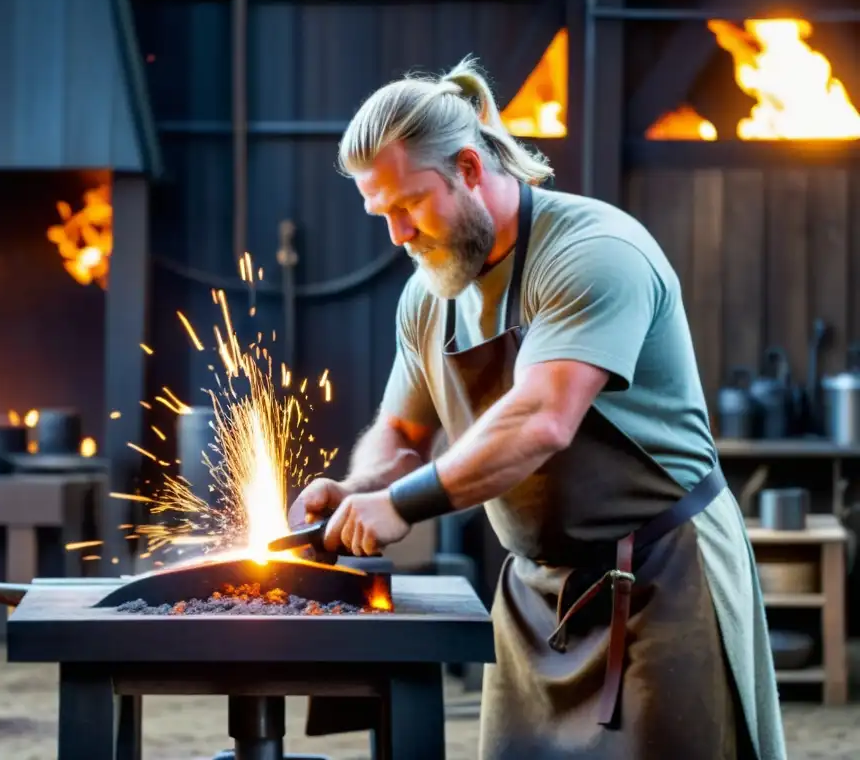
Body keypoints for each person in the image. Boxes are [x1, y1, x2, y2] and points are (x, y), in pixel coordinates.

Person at [288, 56, 786, 760]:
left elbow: (544, 417)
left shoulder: (593, 253)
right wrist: (362, 488)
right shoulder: (429, 293)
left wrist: (401, 506)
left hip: (662, 580)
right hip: (534, 595)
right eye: (381, 213)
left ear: (467, 167)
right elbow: (401, 430)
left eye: (407, 205)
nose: (397, 234)